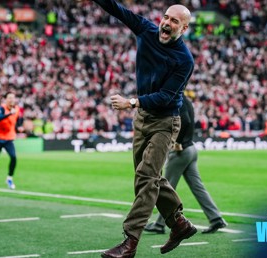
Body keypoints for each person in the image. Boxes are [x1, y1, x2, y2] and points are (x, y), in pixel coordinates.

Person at [82, 1, 197, 257]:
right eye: (165, 17)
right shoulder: (146, 30)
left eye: (174, 21)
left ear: (184, 28)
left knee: (146, 178)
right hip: (143, 118)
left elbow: (166, 96)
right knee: (148, 178)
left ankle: (130, 242)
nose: (166, 24)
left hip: (165, 121)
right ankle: (179, 224)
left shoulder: (184, 60)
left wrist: (131, 102)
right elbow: (118, 10)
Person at [145, 95, 227, 234]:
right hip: (191, 149)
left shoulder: (177, 100)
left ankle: (159, 224)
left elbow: (186, 121)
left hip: (181, 152)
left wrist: (178, 142)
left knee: (166, 188)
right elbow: (189, 120)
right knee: (198, 187)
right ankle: (216, 218)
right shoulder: (186, 100)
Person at [0, 92, 23, 190]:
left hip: (8, 138)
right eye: (9, 98)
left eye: (13, 98)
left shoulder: (17, 109)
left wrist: (19, 126)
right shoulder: (2, 108)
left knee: (13, 157)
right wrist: (9, 113)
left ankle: (9, 178)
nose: (11, 100)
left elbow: (18, 119)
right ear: (5, 99)